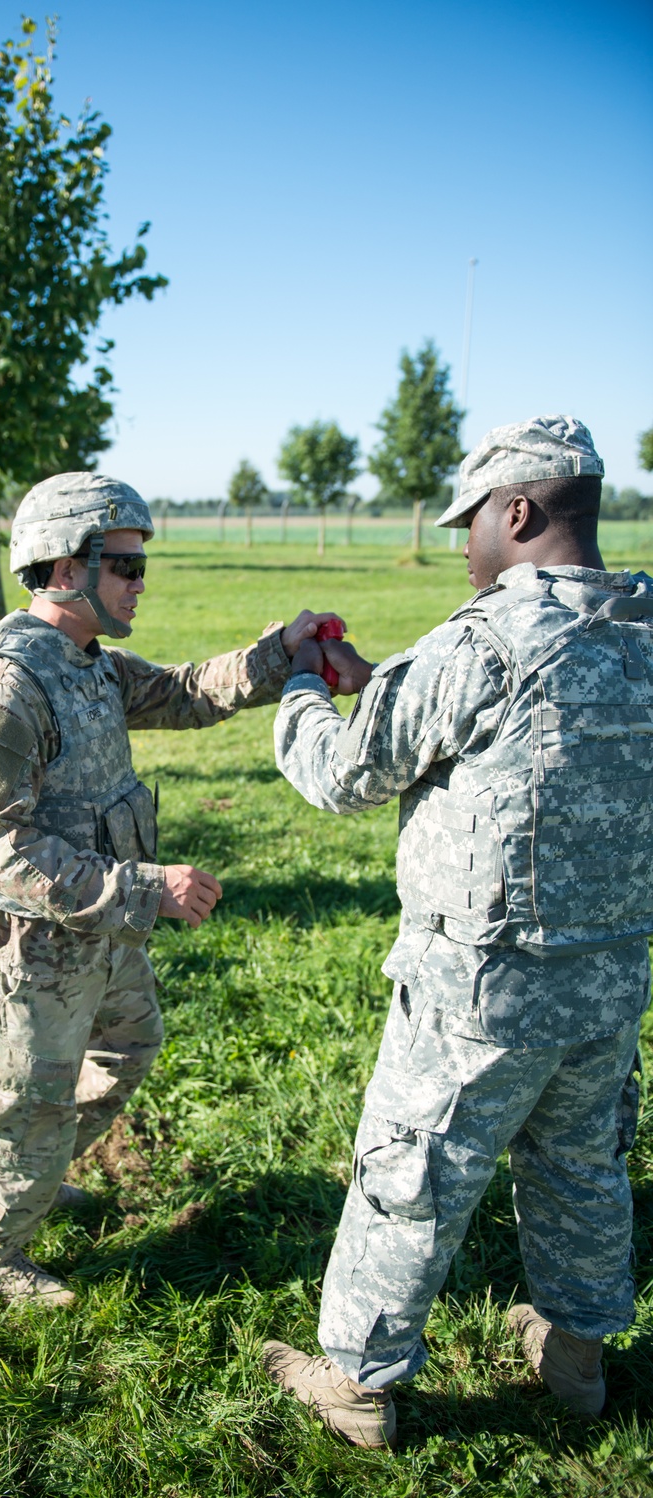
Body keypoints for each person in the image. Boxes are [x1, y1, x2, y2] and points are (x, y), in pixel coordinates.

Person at [262, 416, 652, 1449]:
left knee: (413, 1175)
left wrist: (304, 686)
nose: (463, 542)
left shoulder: (481, 639)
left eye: (470, 519)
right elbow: (524, 721)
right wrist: (378, 675)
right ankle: (575, 1362)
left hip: (478, 991)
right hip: (608, 981)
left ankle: (356, 1381)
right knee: (580, 1165)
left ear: (515, 511)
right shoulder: (642, 629)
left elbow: (341, 773)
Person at [0, 471, 334, 1304]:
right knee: (27, 1101)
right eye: (125, 565)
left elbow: (183, 692)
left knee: (126, 1048)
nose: (141, 581)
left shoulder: (90, 666)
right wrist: (144, 887)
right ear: (67, 567)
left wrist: (276, 656)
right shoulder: (8, 689)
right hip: (27, 948)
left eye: (141, 565)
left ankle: (33, 1180)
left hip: (100, 934)